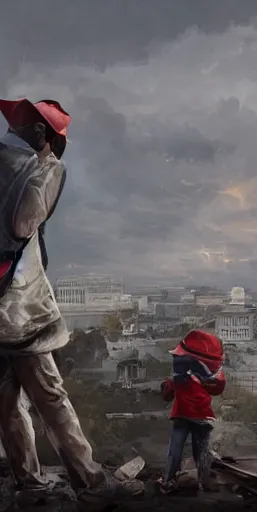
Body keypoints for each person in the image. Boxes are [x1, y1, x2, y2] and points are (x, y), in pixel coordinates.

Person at [0, 97, 144, 506]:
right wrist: (49, 168)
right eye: (54, 143)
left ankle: (28, 482)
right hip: (19, 309)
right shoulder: (39, 167)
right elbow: (23, 225)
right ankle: (92, 483)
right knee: (51, 397)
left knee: (6, 401)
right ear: (42, 135)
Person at [159, 330, 227, 493]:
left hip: (181, 416)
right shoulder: (209, 379)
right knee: (201, 452)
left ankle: (168, 481)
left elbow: (166, 395)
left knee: (175, 450)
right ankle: (205, 483)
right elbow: (218, 388)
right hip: (201, 418)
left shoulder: (179, 380)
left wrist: (171, 383)